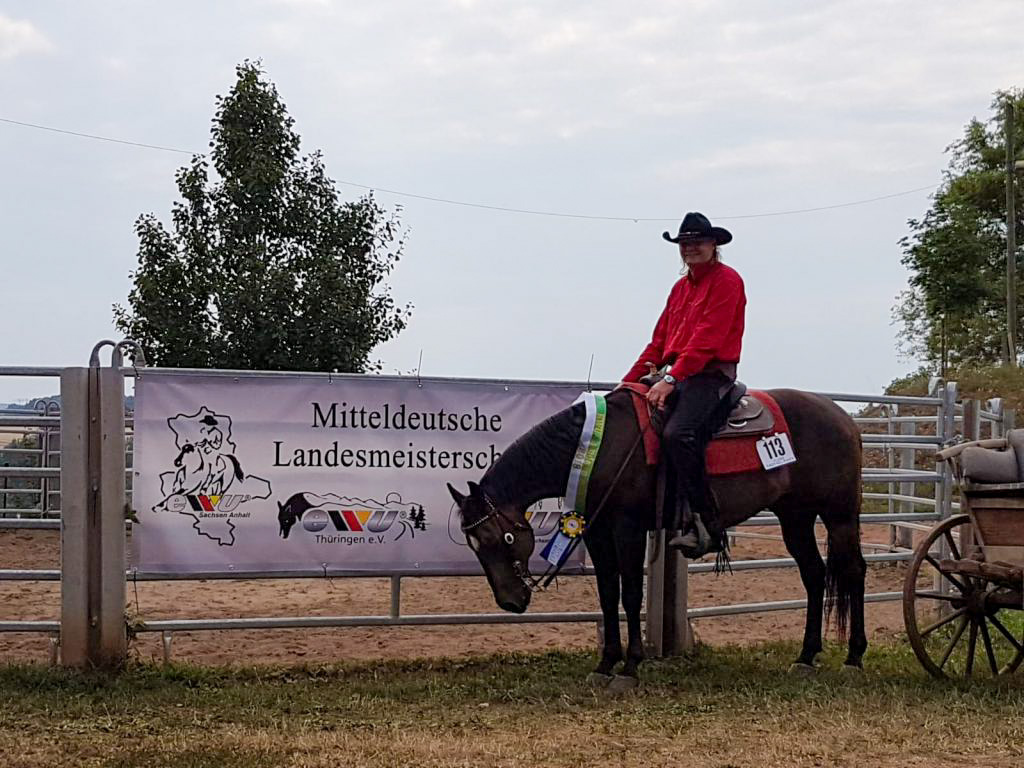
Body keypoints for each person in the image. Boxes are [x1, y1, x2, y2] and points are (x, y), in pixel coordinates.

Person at [620, 212, 746, 557]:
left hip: (710, 374)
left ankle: (708, 524)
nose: (690, 248)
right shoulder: (679, 289)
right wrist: (627, 383)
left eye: (697, 242)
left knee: (679, 433)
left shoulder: (728, 281)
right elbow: (658, 343)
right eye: (685, 243)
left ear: (713, 244)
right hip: (678, 372)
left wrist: (673, 378)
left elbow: (708, 340)